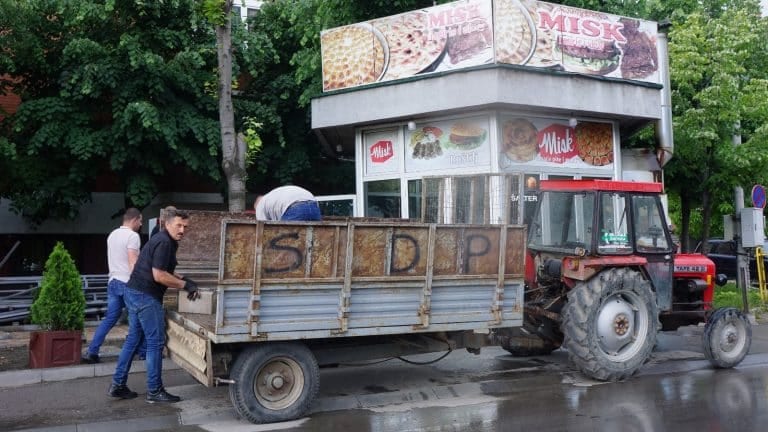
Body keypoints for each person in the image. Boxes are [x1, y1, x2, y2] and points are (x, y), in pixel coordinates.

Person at [108, 207, 200, 403]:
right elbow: (159, 275)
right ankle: (155, 391)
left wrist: (184, 279)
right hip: (145, 296)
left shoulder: (163, 239)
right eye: (178, 225)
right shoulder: (165, 242)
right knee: (155, 343)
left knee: (133, 340)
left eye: (185, 226)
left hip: (133, 292)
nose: (182, 230)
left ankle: (118, 385)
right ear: (167, 224)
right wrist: (185, 286)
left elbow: (162, 269)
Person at [82, 208, 146, 364]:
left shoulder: (112, 235)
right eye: (141, 221)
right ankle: (143, 353)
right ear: (135, 219)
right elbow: (133, 262)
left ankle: (92, 351)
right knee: (138, 318)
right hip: (127, 282)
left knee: (109, 319)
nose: (141, 224)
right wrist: (141, 283)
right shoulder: (133, 236)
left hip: (112, 282)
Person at [254, 185, 321, 221]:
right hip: (314, 206)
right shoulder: (272, 196)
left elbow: (261, 226)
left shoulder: (260, 205)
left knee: (284, 242)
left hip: (295, 207)